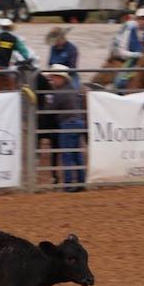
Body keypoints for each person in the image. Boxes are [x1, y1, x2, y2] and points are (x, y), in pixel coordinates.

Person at [43, 64, 85, 192]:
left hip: (68, 124)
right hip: (78, 122)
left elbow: (51, 109)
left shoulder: (59, 93)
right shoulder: (72, 88)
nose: (52, 81)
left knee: (67, 154)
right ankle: (80, 182)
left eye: (54, 78)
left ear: (61, 78)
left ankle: (68, 184)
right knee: (77, 154)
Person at [115, 7, 144, 89]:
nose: (142, 21)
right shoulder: (128, 32)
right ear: (136, 20)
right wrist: (134, 55)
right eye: (140, 18)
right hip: (132, 62)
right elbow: (121, 51)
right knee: (119, 82)